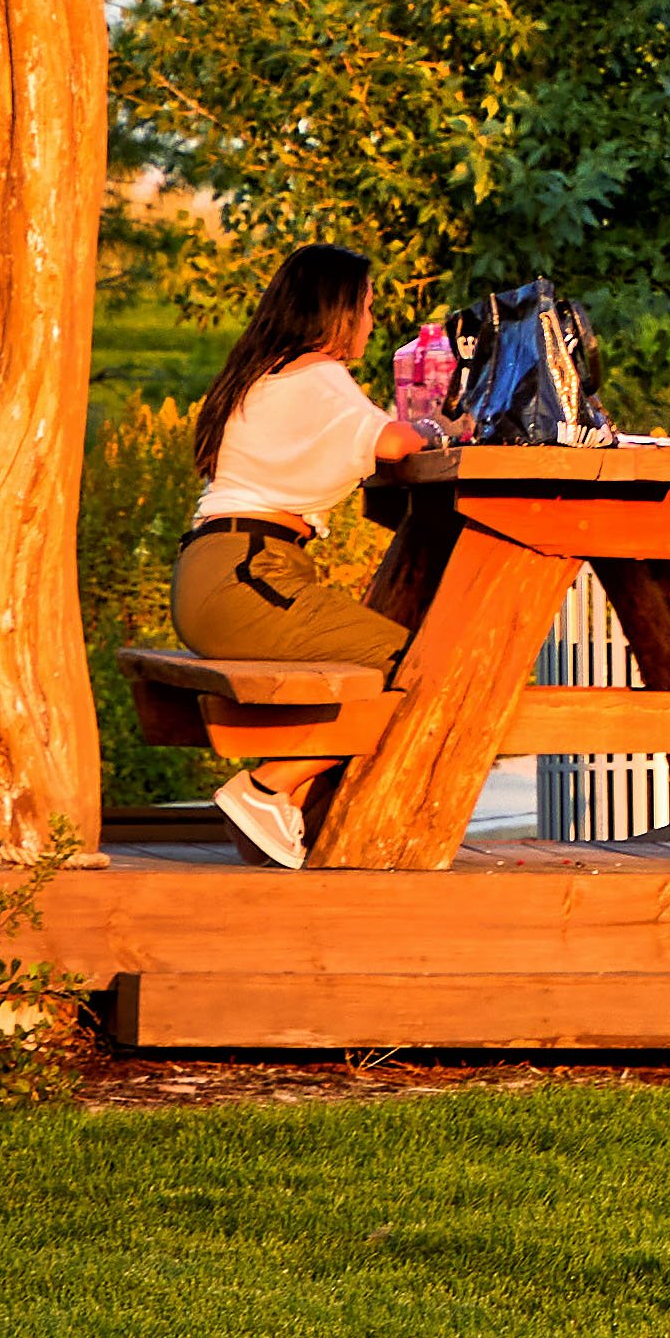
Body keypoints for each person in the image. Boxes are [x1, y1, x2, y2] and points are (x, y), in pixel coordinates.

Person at [176, 243, 433, 869]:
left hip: (226, 571)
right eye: (367, 306)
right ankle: (268, 787)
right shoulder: (318, 374)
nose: (372, 322)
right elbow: (396, 443)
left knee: (408, 663)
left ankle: (287, 804)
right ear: (337, 311)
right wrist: (449, 427)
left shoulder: (265, 371)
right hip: (248, 573)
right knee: (426, 670)